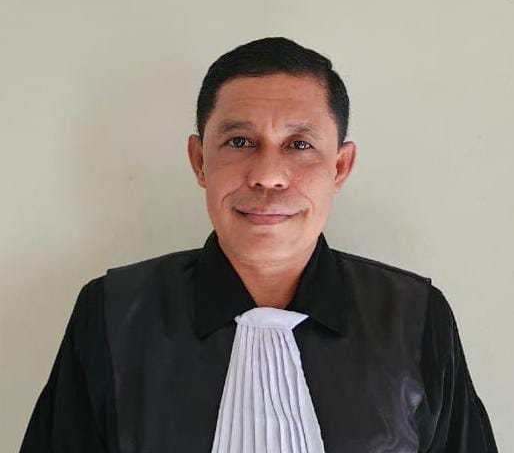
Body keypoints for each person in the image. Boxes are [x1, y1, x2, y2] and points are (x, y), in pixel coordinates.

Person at [20, 37, 498, 452]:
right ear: (199, 161)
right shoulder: (111, 313)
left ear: (340, 167)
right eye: (240, 142)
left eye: (299, 145)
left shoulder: (416, 318)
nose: (268, 175)